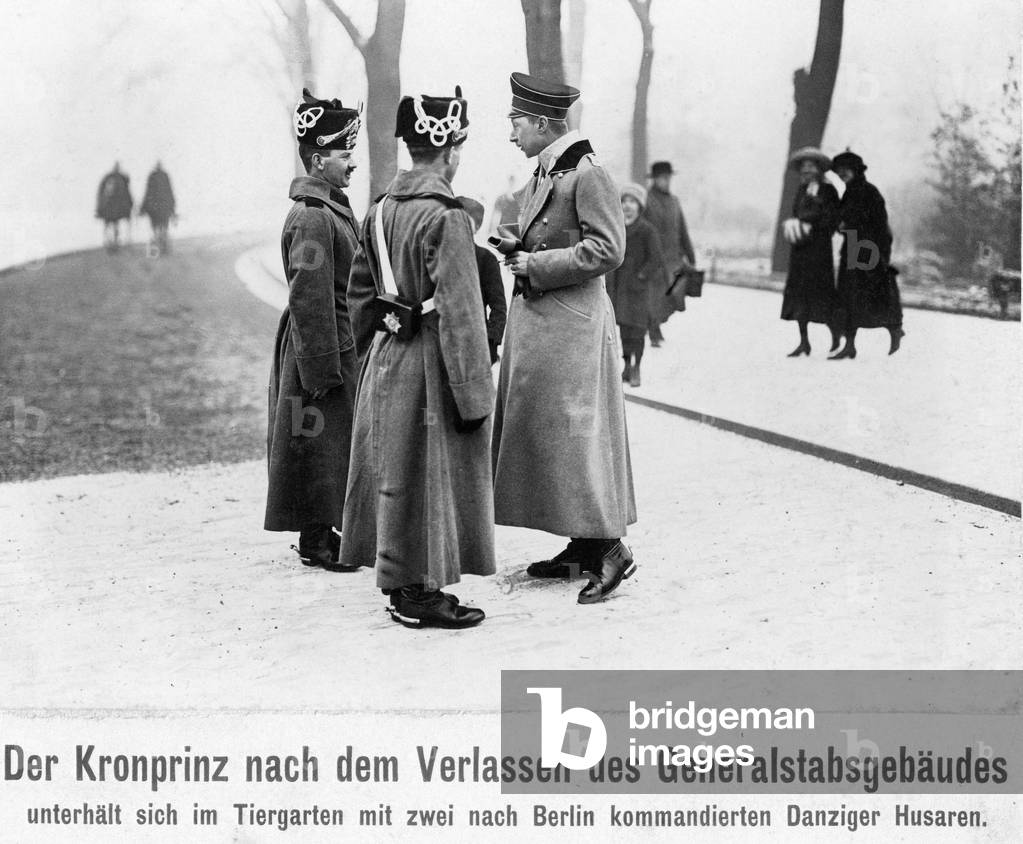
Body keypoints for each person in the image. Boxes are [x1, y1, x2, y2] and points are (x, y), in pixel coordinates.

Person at [340, 87, 495, 629]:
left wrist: (376, 348)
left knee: (395, 471)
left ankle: (403, 585)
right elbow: (461, 313)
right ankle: (420, 594)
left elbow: (359, 296)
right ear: (451, 150)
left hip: (387, 354)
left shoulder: (379, 209)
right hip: (431, 357)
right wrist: (475, 394)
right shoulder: (447, 217)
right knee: (430, 472)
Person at [494, 71, 636, 605]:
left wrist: (539, 262)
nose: (511, 133)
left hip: (574, 329)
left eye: (515, 123)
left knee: (578, 438)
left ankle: (611, 550)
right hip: (549, 329)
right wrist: (519, 248)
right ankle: (582, 541)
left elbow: (609, 249)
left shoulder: (588, 173)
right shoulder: (547, 171)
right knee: (560, 438)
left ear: (541, 122)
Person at [264, 89, 363, 572]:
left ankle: (323, 533)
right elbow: (310, 297)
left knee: (330, 441)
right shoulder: (312, 217)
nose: (353, 164)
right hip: (321, 344)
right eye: (346, 155)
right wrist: (322, 367)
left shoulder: (327, 210)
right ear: (319, 159)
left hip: (334, 340)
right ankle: (318, 540)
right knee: (320, 443)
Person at [830, 150, 904, 358]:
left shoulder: (870, 192)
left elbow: (880, 224)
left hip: (869, 250)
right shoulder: (848, 193)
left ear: (856, 170)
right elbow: (842, 221)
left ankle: (895, 330)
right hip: (851, 248)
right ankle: (849, 345)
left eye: (846, 169)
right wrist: (841, 226)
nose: (842, 174)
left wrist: (879, 255)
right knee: (847, 295)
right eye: (839, 171)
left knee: (876, 294)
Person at [779, 147, 841, 357]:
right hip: (800, 252)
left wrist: (812, 225)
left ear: (819, 169)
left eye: (810, 167)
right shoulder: (801, 190)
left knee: (822, 294)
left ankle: (835, 336)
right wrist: (795, 226)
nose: (806, 171)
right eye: (803, 167)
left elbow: (832, 220)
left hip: (819, 252)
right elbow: (796, 213)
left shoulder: (828, 191)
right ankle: (804, 341)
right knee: (799, 296)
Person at [606, 183, 667, 388]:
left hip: (639, 291)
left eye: (632, 202)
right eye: (624, 201)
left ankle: (637, 367)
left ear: (640, 207)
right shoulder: (617, 228)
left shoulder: (647, 230)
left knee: (638, 331)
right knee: (624, 329)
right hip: (621, 289)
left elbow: (656, 259)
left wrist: (642, 276)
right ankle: (626, 365)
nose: (628, 206)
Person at [643, 160, 695, 346]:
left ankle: (656, 323)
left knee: (673, 295)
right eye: (662, 178)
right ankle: (654, 329)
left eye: (668, 178)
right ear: (655, 179)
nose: (666, 181)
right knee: (655, 295)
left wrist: (691, 256)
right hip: (654, 258)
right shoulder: (646, 200)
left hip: (674, 258)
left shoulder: (674, 202)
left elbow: (683, 230)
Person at [457, 196, 508, 364]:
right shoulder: (437, 255)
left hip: (473, 342)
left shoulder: (486, 260)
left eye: (463, 221)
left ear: (477, 227)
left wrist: (491, 343)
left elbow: (498, 307)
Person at [140, 161, 176, 256]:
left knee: (156, 229)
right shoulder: (164, 176)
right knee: (163, 228)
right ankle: (163, 249)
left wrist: (143, 208)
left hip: (155, 209)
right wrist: (172, 207)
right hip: (163, 208)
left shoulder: (153, 176)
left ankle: (157, 251)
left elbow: (148, 193)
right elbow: (169, 192)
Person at [95, 163, 133, 251]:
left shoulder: (108, 178)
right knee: (115, 225)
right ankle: (113, 242)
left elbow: (101, 194)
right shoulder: (121, 178)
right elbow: (127, 194)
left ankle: (109, 242)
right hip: (115, 209)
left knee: (109, 225)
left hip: (109, 208)